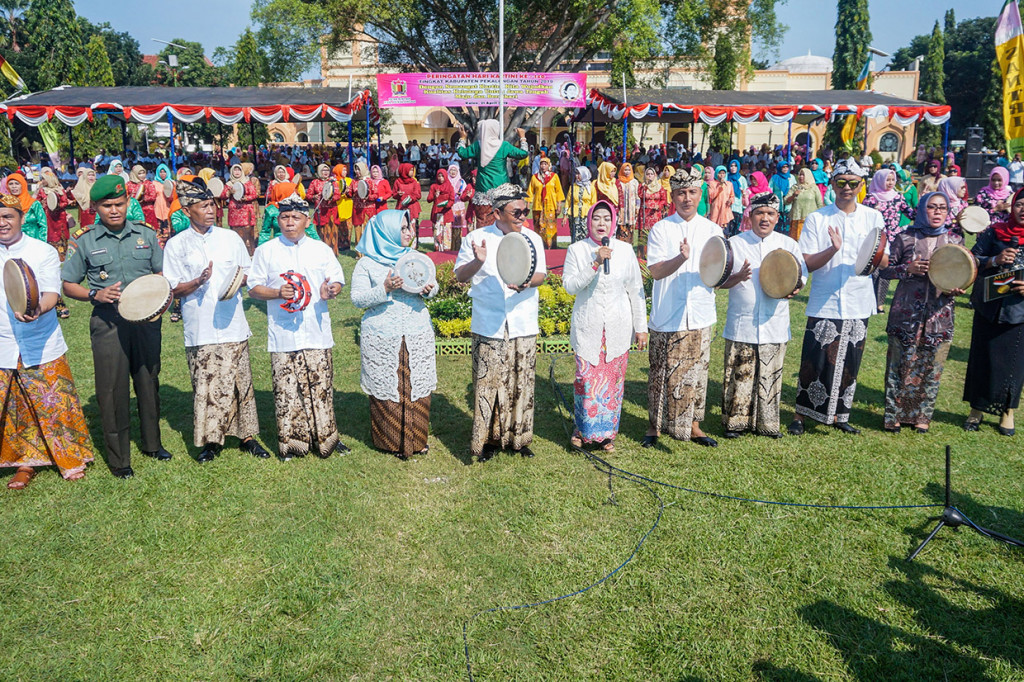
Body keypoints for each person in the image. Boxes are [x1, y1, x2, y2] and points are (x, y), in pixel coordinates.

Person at [61, 175, 172, 478]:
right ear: (95, 206)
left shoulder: (146, 235)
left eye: (119, 204)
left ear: (128, 202)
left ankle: (152, 444)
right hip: (108, 322)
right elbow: (68, 284)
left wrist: (161, 301)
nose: (114, 210)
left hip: (145, 322)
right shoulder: (85, 240)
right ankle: (120, 458)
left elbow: (162, 274)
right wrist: (95, 294)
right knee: (112, 390)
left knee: (148, 381)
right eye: (107, 205)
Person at [162, 178, 270, 463]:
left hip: (233, 322)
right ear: (187, 211)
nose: (211, 211)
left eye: (213, 205)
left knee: (239, 382)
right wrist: (198, 281)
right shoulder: (176, 245)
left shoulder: (230, 238)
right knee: (206, 384)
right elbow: (172, 288)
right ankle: (211, 441)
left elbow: (248, 273)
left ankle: (247, 437)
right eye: (204, 206)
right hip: (201, 326)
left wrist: (237, 283)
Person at [0, 193, 92, 490]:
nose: (2, 223)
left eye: (8, 216)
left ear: (21, 218)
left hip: (40, 340)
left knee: (54, 404)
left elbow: (52, 293)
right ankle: (25, 464)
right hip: (3, 343)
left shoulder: (43, 251)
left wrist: (37, 309)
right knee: (17, 408)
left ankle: (69, 458)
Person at [248, 194, 350, 459]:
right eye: (284, 217)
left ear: (307, 220)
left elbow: (337, 279)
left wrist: (332, 289)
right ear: (277, 220)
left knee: (322, 387)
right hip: (283, 332)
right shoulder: (266, 251)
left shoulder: (320, 249)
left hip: (315, 330)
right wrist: (276, 293)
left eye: (295, 217)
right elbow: (253, 288)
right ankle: (292, 443)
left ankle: (327, 439)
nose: (289, 222)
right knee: (287, 389)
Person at [789, 159, 886, 435]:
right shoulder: (818, 218)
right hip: (825, 298)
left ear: (860, 185)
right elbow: (806, 261)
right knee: (815, 359)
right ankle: (801, 415)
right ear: (832, 184)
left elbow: (882, 258)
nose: (847, 188)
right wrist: (832, 250)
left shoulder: (872, 218)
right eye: (841, 182)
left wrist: (878, 258)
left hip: (858, 298)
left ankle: (840, 415)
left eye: (853, 183)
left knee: (850, 361)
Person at [454, 183, 547, 461]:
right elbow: (460, 275)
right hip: (489, 322)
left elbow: (541, 273)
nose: (522, 216)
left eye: (525, 210)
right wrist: (478, 263)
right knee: (488, 383)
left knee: (521, 381)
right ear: (497, 213)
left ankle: (519, 438)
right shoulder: (477, 238)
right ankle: (488, 440)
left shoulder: (532, 238)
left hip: (522, 321)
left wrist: (528, 282)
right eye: (516, 211)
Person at [643, 167, 723, 449]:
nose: (686, 198)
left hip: (700, 310)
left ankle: (694, 425)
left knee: (698, 371)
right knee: (660, 371)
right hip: (668, 311)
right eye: (680, 193)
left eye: (691, 192)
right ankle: (655, 427)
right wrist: (680, 258)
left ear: (699, 194)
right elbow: (655, 271)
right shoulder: (661, 229)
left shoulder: (713, 231)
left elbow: (719, 271)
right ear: (672, 196)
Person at [350, 210, 437, 459]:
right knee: (389, 387)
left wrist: (429, 290)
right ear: (385, 232)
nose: (410, 232)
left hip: (416, 331)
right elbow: (357, 299)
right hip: (382, 335)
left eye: (410, 227)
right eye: (403, 228)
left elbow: (432, 285)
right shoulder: (366, 263)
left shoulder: (415, 258)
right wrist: (385, 288)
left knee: (415, 385)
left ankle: (417, 439)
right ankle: (388, 440)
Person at [719, 192, 806, 438]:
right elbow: (719, 281)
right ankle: (735, 424)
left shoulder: (788, 245)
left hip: (774, 321)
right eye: (759, 213)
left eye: (770, 214)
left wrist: (794, 287)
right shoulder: (736, 243)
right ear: (750, 215)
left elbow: (802, 276)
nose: (764, 218)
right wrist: (738, 277)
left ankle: (767, 424)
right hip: (742, 321)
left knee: (770, 373)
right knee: (740, 373)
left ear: (778, 217)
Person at [563, 200, 648, 450]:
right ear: (589, 221)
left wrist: (640, 327)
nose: (602, 223)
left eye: (607, 218)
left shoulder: (624, 250)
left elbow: (636, 290)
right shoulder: (577, 250)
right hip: (588, 328)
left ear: (614, 222)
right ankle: (583, 430)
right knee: (585, 381)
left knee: (613, 382)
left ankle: (607, 434)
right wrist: (595, 263)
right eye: (597, 218)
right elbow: (570, 286)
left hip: (617, 327)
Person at [877, 192, 964, 434]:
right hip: (906, 315)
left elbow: (963, 273)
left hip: (939, 315)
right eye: (932, 207)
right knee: (899, 365)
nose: (937, 212)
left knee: (931, 367)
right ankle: (892, 416)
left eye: (942, 208)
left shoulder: (955, 240)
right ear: (922, 209)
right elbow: (885, 272)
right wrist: (908, 268)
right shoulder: (906, 237)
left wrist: (958, 287)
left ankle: (921, 417)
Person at [963, 187, 1024, 436]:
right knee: (982, 356)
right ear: (1012, 206)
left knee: (1013, 363)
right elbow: (971, 258)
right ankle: (976, 408)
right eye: (1020, 204)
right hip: (989, 306)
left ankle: (1007, 411)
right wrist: (995, 261)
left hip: (1019, 312)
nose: (1023, 210)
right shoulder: (995, 232)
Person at [862, 168, 913, 313]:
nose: (890, 183)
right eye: (887, 180)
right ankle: (869, 299)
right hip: (875, 238)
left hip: (892, 239)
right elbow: (863, 217)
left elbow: (909, 212)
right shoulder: (871, 198)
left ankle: (880, 303)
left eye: (892, 180)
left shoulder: (897, 197)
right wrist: (873, 210)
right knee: (874, 271)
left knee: (886, 270)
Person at [455, 120, 529, 193]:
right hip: (502, 186)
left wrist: (462, 138)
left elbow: (462, 153)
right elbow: (523, 153)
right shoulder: (504, 146)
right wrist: (522, 137)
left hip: (483, 186)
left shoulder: (478, 145)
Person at [526, 155, 565, 249]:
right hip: (538, 206)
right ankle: (540, 245)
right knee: (538, 227)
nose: (543, 166)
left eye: (545, 164)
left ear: (549, 165)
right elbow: (530, 192)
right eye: (541, 164)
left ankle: (551, 245)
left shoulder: (554, 177)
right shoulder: (535, 178)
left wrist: (559, 206)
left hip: (551, 206)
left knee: (551, 226)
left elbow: (558, 191)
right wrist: (528, 205)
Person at [225, 163, 260, 255]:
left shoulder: (247, 182)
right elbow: (222, 196)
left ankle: (249, 254)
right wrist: (229, 192)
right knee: (236, 234)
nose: (237, 172)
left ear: (242, 171)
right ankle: (236, 254)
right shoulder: (229, 184)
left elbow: (255, 194)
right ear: (232, 171)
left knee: (248, 234)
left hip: (246, 212)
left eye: (239, 170)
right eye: (235, 170)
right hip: (234, 213)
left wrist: (246, 198)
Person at [308, 164, 341, 256]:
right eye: (323, 170)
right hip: (320, 211)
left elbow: (338, 195)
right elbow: (308, 195)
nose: (326, 172)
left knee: (332, 232)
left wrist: (331, 198)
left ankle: (333, 253)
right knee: (321, 232)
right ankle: (321, 254)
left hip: (332, 211)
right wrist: (314, 197)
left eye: (327, 170)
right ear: (319, 171)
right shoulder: (314, 182)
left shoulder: (333, 182)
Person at [637, 166, 667, 260]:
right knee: (643, 235)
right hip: (645, 215)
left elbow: (664, 199)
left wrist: (658, 206)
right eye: (647, 174)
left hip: (655, 214)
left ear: (655, 175)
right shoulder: (642, 186)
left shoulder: (659, 187)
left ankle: (654, 256)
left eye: (651, 174)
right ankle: (642, 257)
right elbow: (640, 195)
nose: (649, 176)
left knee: (654, 234)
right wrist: (644, 187)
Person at [785, 168, 823, 242]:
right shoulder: (795, 187)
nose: (801, 177)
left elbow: (819, 204)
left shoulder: (814, 188)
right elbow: (786, 201)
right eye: (800, 175)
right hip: (796, 220)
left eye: (803, 175)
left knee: (808, 241)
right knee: (795, 242)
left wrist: (819, 219)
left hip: (809, 220)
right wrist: (793, 195)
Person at [392, 162, 422, 246]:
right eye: (410, 170)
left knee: (412, 227)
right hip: (401, 207)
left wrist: (410, 198)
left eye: (413, 170)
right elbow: (393, 194)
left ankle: (413, 246)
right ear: (404, 171)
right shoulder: (398, 182)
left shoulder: (414, 182)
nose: (412, 172)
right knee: (403, 227)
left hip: (412, 207)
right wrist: (398, 194)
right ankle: (403, 245)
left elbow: (418, 195)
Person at [427, 168, 456, 251]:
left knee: (447, 232)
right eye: (439, 176)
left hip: (446, 212)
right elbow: (429, 199)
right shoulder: (434, 186)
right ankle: (437, 248)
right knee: (437, 231)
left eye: (442, 176)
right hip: (437, 212)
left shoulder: (450, 187)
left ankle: (447, 249)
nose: (440, 178)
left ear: (445, 176)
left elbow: (452, 199)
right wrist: (434, 196)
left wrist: (446, 205)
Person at [565, 166, 596, 243]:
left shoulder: (591, 187)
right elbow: (568, 201)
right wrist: (565, 214)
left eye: (579, 174)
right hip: (574, 215)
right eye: (576, 174)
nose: (577, 176)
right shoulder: (573, 186)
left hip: (586, 215)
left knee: (586, 235)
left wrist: (594, 216)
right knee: (575, 235)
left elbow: (593, 202)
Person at [448, 162, 473, 253]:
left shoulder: (462, 181)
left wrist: (461, 194)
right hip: (449, 206)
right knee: (449, 228)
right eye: (451, 170)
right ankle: (449, 246)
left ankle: (457, 247)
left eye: (455, 170)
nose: (453, 172)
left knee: (458, 228)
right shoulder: (446, 180)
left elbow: (465, 193)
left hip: (458, 205)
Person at [614, 163, 639, 245]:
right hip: (622, 210)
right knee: (621, 228)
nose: (627, 172)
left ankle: (629, 245)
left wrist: (637, 207)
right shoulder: (618, 182)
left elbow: (637, 196)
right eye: (625, 170)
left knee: (630, 228)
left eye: (629, 170)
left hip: (631, 210)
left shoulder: (634, 182)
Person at [332, 163, 355, 250]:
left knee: (348, 227)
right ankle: (339, 244)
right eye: (343, 170)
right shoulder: (334, 182)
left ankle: (347, 244)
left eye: (345, 170)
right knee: (339, 227)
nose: (345, 172)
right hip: (338, 205)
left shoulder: (350, 180)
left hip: (348, 205)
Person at [706, 165, 734, 229]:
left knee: (725, 230)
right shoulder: (712, 183)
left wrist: (730, 200)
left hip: (725, 209)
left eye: (723, 173)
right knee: (714, 228)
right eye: (720, 173)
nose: (721, 175)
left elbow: (732, 196)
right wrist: (720, 186)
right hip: (716, 209)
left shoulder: (729, 184)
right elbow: (711, 196)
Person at [726, 160, 747, 235]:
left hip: (738, 207)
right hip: (727, 206)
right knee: (727, 229)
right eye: (731, 166)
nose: (733, 168)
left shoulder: (742, 179)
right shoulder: (726, 177)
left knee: (737, 230)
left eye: (735, 166)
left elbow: (745, 193)